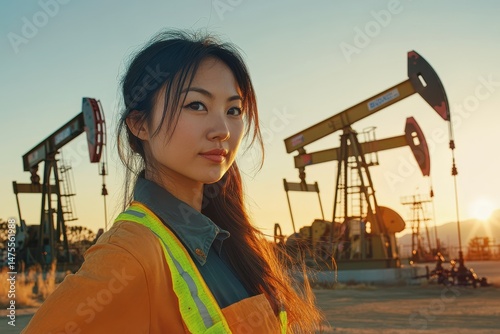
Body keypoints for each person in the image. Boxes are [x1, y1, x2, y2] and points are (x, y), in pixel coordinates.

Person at [22, 29, 322, 333]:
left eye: (234, 110)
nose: (222, 129)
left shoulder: (231, 242)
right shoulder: (129, 256)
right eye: (196, 105)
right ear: (140, 124)